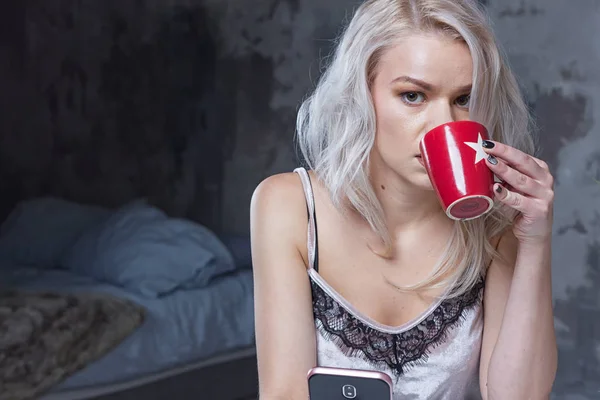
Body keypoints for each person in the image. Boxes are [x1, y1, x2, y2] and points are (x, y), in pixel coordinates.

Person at [250, 0, 558, 398]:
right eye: (414, 96)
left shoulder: (494, 222)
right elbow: (285, 393)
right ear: (363, 93)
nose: (445, 124)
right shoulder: (290, 208)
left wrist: (535, 241)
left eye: (464, 99)